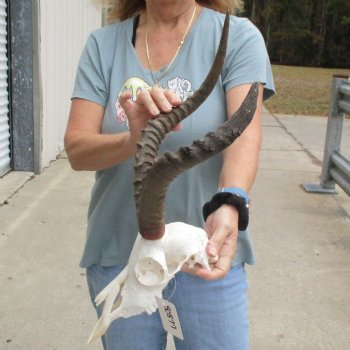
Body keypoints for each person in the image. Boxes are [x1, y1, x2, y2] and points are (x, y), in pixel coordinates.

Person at [64, 0, 274, 349]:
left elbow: (245, 135)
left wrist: (230, 201)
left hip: (205, 253)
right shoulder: (103, 45)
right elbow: (76, 149)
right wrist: (134, 139)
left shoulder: (237, 37)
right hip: (123, 257)